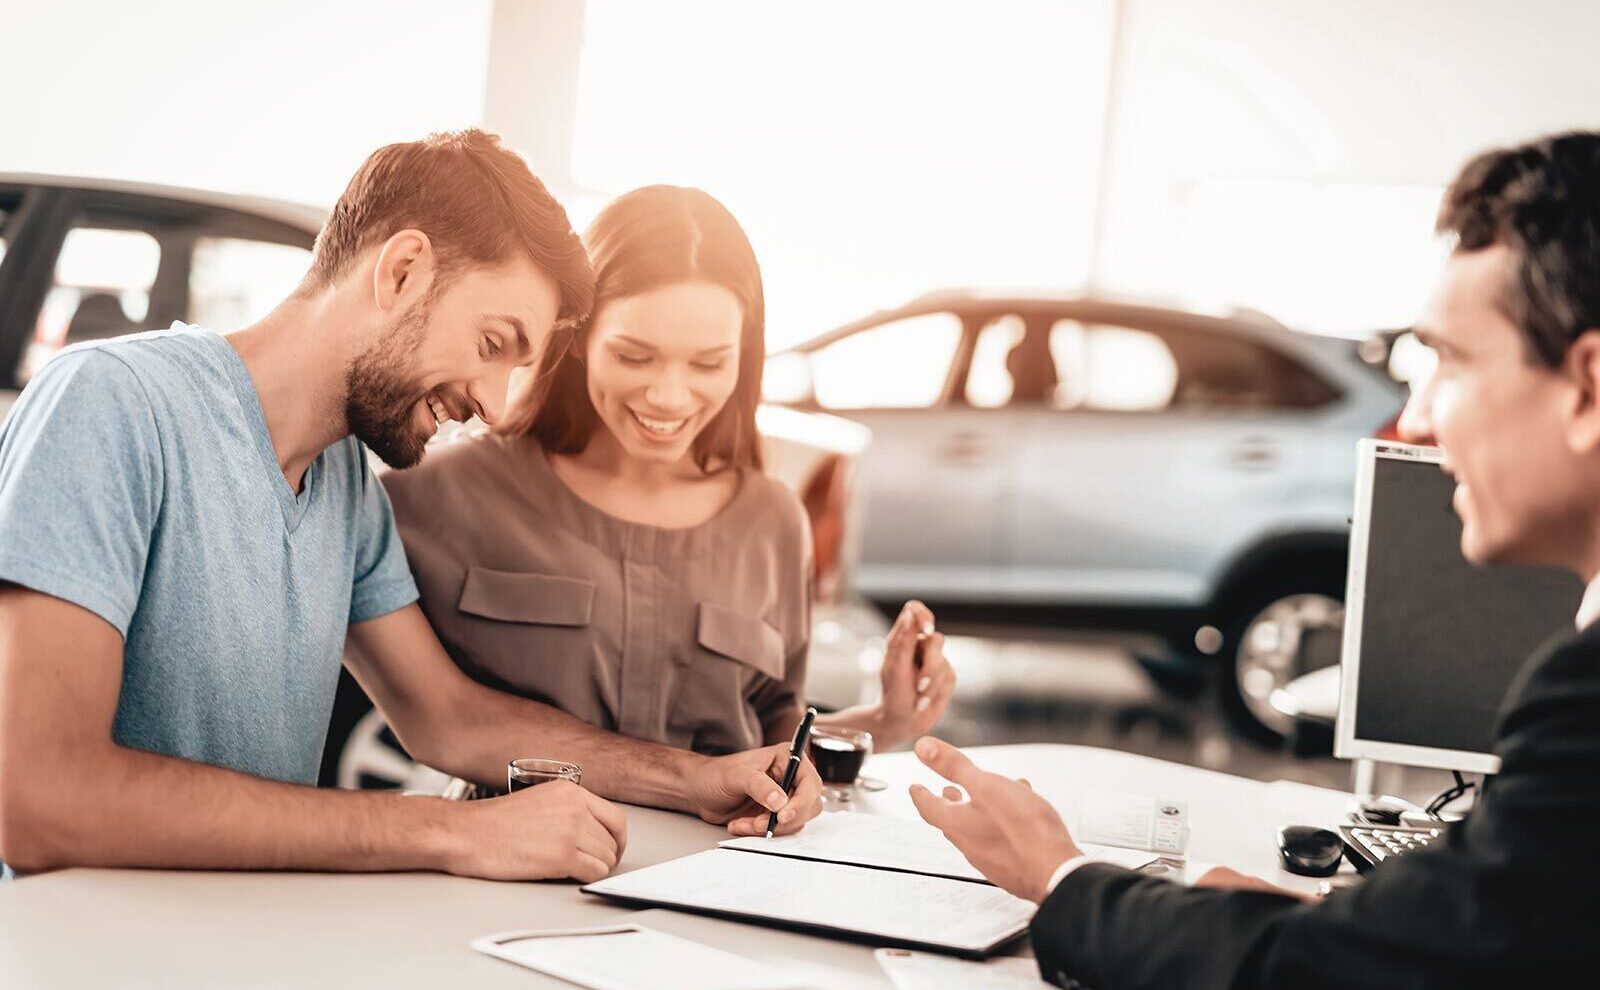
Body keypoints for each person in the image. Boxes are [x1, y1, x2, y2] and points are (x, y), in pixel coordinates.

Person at [0, 131, 813, 882]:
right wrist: (451, 832)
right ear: (401, 271)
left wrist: (699, 778)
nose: (496, 405)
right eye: (494, 345)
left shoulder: (345, 483)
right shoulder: (111, 403)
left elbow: (450, 719)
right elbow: (38, 799)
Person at [908, 131, 1600, 988]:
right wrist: (1312, 925)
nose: (1414, 422)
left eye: (1449, 364)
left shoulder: (1588, 699)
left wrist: (1062, 878)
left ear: (1588, 388)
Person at [381, 185, 955, 798]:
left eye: (707, 364)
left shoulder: (773, 524)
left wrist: (884, 722)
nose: (669, 397)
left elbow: (769, 749)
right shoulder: (436, 497)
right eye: (635, 355)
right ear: (577, 337)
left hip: (721, 883)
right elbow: (438, 716)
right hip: (507, 880)